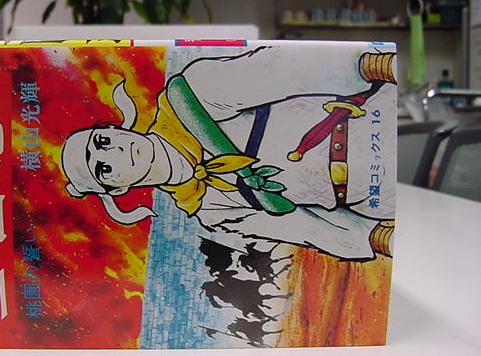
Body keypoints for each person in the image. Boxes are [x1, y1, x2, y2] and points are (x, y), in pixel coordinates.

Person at [61, 44, 396, 260]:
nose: (115, 153)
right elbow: (306, 228)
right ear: (117, 189)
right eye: (104, 169)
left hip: (373, 121)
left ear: (114, 129)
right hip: (372, 196)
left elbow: (284, 71)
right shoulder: (210, 210)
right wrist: (378, 238)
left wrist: (377, 66)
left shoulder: (190, 93)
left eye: (103, 142)